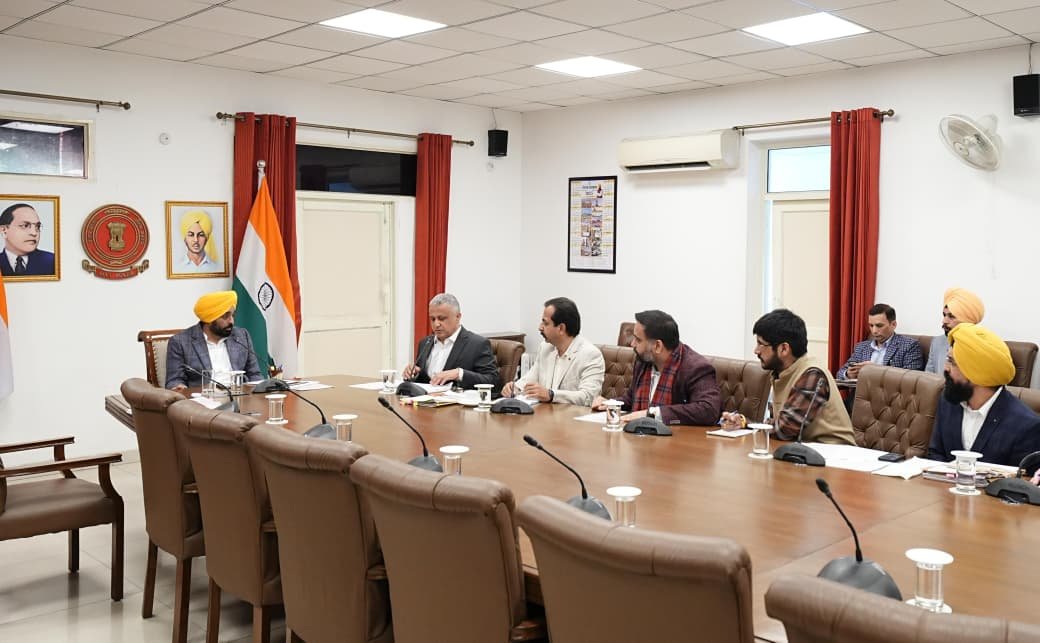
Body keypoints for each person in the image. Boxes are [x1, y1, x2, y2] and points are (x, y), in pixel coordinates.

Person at [724, 309, 855, 445]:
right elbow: (779, 426)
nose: (756, 350)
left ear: (784, 349)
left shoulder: (812, 374)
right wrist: (743, 422)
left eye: (761, 344)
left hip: (835, 453)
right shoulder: (780, 372)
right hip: (804, 450)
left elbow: (784, 430)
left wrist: (748, 424)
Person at [927, 323, 1040, 467]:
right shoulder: (948, 402)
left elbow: (1022, 478)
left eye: (952, 362)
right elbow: (935, 453)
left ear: (976, 373)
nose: (945, 368)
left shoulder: (1025, 425)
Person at [593, 310, 720, 426]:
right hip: (640, 436)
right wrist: (611, 403)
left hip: (676, 440)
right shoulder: (643, 361)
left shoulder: (695, 367)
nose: (632, 344)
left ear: (658, 346)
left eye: (638, 340)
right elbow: (632, 399)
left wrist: (653, 414)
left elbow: (708, 410)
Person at [501, 297, 604, 406]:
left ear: (561, 328)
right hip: (546, 413)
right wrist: (515, 387)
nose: (540, 327)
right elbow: (530, 378)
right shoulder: (545, 348)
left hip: (574, 415)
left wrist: (551, 395)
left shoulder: (590, 354)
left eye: (545, 323)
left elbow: (588, 397)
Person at [165, 290, 262, 392]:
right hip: (204, 397)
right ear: (209, 319)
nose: (231, 321)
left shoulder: (241, 336)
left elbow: (254, 374)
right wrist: (179, 387)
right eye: (225, 316)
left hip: (240, 395)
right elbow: (174, 380)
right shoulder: (180, 342)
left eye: (233, 315)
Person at [402, 293, 500, 392]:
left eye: (442, 318)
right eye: (432, 319)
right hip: (426, 400)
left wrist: (459, 374)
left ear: (458, 317)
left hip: (458, 401)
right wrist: (414, 373)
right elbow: (424, 382)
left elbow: (493, 381)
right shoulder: (425, 343)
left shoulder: (477, 344)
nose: (436, 324)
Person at [836, 303, 923, 380]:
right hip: (860, 392)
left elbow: (912, 379)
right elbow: (840, 373)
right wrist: (848, 374)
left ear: (893, 324)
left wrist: (876, 370)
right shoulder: (861, 347)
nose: (874, 331)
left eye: (879, 326)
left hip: (889, 393)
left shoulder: (909, 346)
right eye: (871, 325)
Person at [925, 288, 984, 374]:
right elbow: (928, 377)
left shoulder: (983, 347)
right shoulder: (937, 342)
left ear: (967, 320)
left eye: (951, 316)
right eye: (944, 315)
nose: (944, 321)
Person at [0, 203, 56, 277]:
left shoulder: (52, 261)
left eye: (37, 226)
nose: (34, 233)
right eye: (25, 226)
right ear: (4, 231)